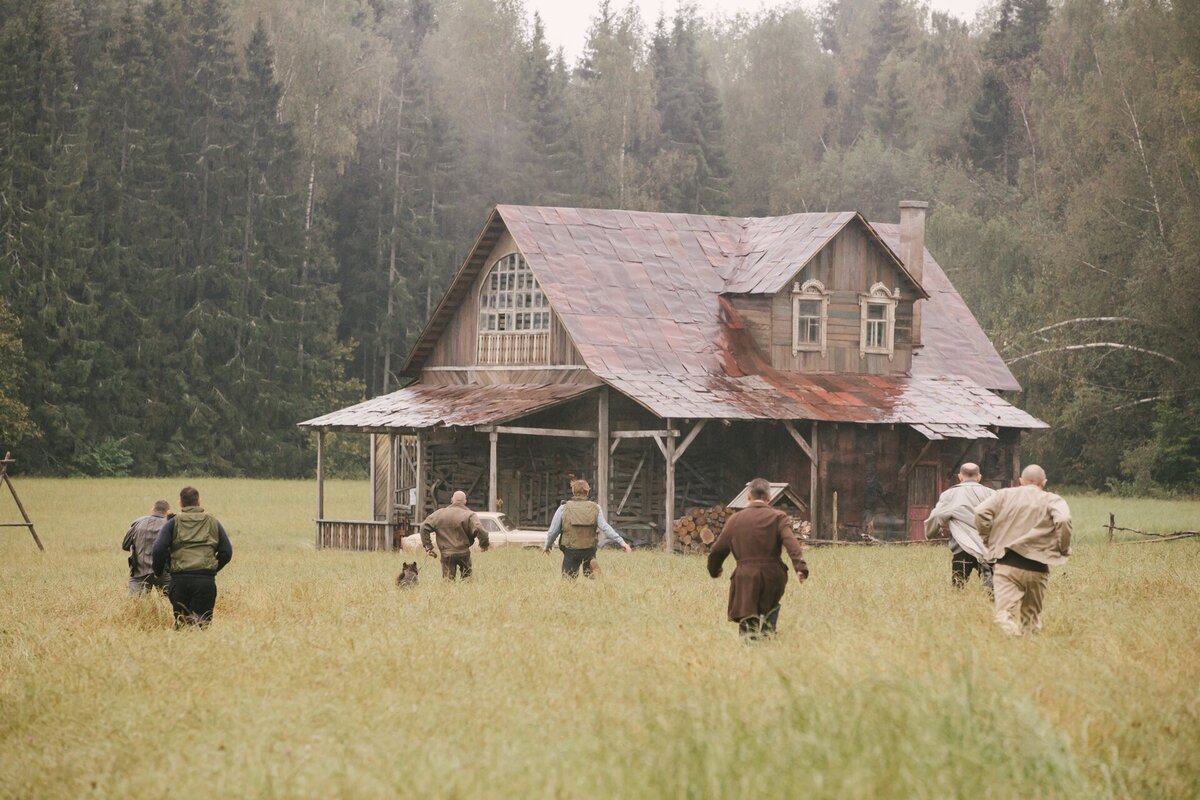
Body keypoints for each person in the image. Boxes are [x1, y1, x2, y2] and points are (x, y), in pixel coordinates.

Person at [974, 465, 1072, 636]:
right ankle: (1030, 648)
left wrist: (988, 538)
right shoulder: (1052, 500)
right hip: (1038, 568)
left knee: (1004, 614)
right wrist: (1063, 548)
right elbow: (1063, 519)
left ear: (1020, 481)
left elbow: (980, 512)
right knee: (1031, 618)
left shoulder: (1004, 495)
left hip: (1006, 564)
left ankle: (1012, 638)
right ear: (1044, 482)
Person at [706, 478, 809, 641]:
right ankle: (768, 636)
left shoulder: (735, 520)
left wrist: (715, 570)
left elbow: (717, 550)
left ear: (748, 496)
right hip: (773, 576)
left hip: (745, 577)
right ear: (769, 498)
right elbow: (791, 542)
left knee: (748, 618)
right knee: (770, 609)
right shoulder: (779, 517)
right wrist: (800, 567)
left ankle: (750, 649)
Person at [151, 486, 233, 627]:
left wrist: (159, 571)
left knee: (182, 624)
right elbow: (226, 551)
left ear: (181, 503)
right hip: (205, 581)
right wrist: (212, 569)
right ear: (199, 502)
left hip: (179, 580)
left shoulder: (172, 523)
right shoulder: (213, 522)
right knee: (202, 624)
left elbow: (158, 549)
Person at [924, 463, 995, 591]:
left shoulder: (950, 494)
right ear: (979, 477)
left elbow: (937, 516)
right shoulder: (992, 494)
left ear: (960, 476)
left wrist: (931, 533)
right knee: (993, 592)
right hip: (987, 550)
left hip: (962, 549)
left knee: (957, 588)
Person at [542, 479, 630, 578]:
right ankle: (591, 569)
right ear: (587, 492)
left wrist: (548, 546)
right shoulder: (595, 508)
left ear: (573, 491)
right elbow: (605, 528)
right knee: (590, 575)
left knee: (568, 581)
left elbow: (553, 531)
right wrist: (622, 542)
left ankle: (582, 574)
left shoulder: (564, 508)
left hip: (571, 550)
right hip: (589, 549)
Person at [420, 490, 489, 580]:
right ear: (465, 501)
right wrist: (484, 545)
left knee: (448, 582)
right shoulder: (470, 515)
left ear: (452, 500)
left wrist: (428, 546)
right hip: (463, 552)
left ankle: (449, 593)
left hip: (446, 553)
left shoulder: (439, 514)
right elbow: (481, 530)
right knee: (466, 581)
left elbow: (423, 527)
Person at [122, 500, 171, 595]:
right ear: (167, 511)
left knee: (136, 605)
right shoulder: (170, 524)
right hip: (164, 571)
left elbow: (125, 545)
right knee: (170, 603)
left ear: (152, 509)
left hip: (140, 570)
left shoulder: (138, 523)